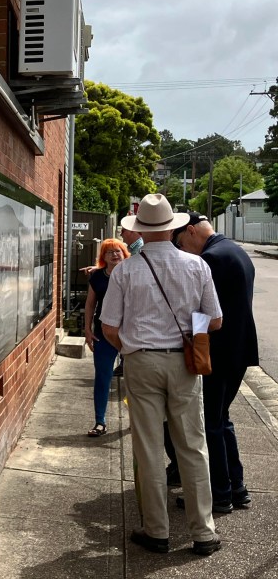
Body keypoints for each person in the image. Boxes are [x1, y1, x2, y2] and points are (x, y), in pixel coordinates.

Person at [100, 193, 223, 556]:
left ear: (140, 230)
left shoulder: (125, 269)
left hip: (141, 361)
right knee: (192, 445)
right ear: (174, 227)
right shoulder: (197, 266)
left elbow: (109, 326)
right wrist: (188, 335)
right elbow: (215, 320)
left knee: (149, 448)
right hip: (185, 364)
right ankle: (203, 532)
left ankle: (157, 531)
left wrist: (131, 347)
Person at [174, 211, 257, 513]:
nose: (184, 249)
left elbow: (205, 313)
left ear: (193, 231)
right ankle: (237, 487)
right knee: (222, 420)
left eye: (182, 242)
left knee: (209, 423)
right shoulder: (235, 250)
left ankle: (219, 493)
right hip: (238, 351)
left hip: (218, 353)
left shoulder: (211, 258)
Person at [83, 238, 130, 436]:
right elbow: (90, 304)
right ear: (103, 256)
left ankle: (136, 419)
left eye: (118, 251)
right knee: (103, 376)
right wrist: (87, 329)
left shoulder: (131, 273)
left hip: (130, 332)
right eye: (109, 252)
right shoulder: (97, 277)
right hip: (103, 332)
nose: (114, 254)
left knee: (135, 379)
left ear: (124, 253)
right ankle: (100, 422)